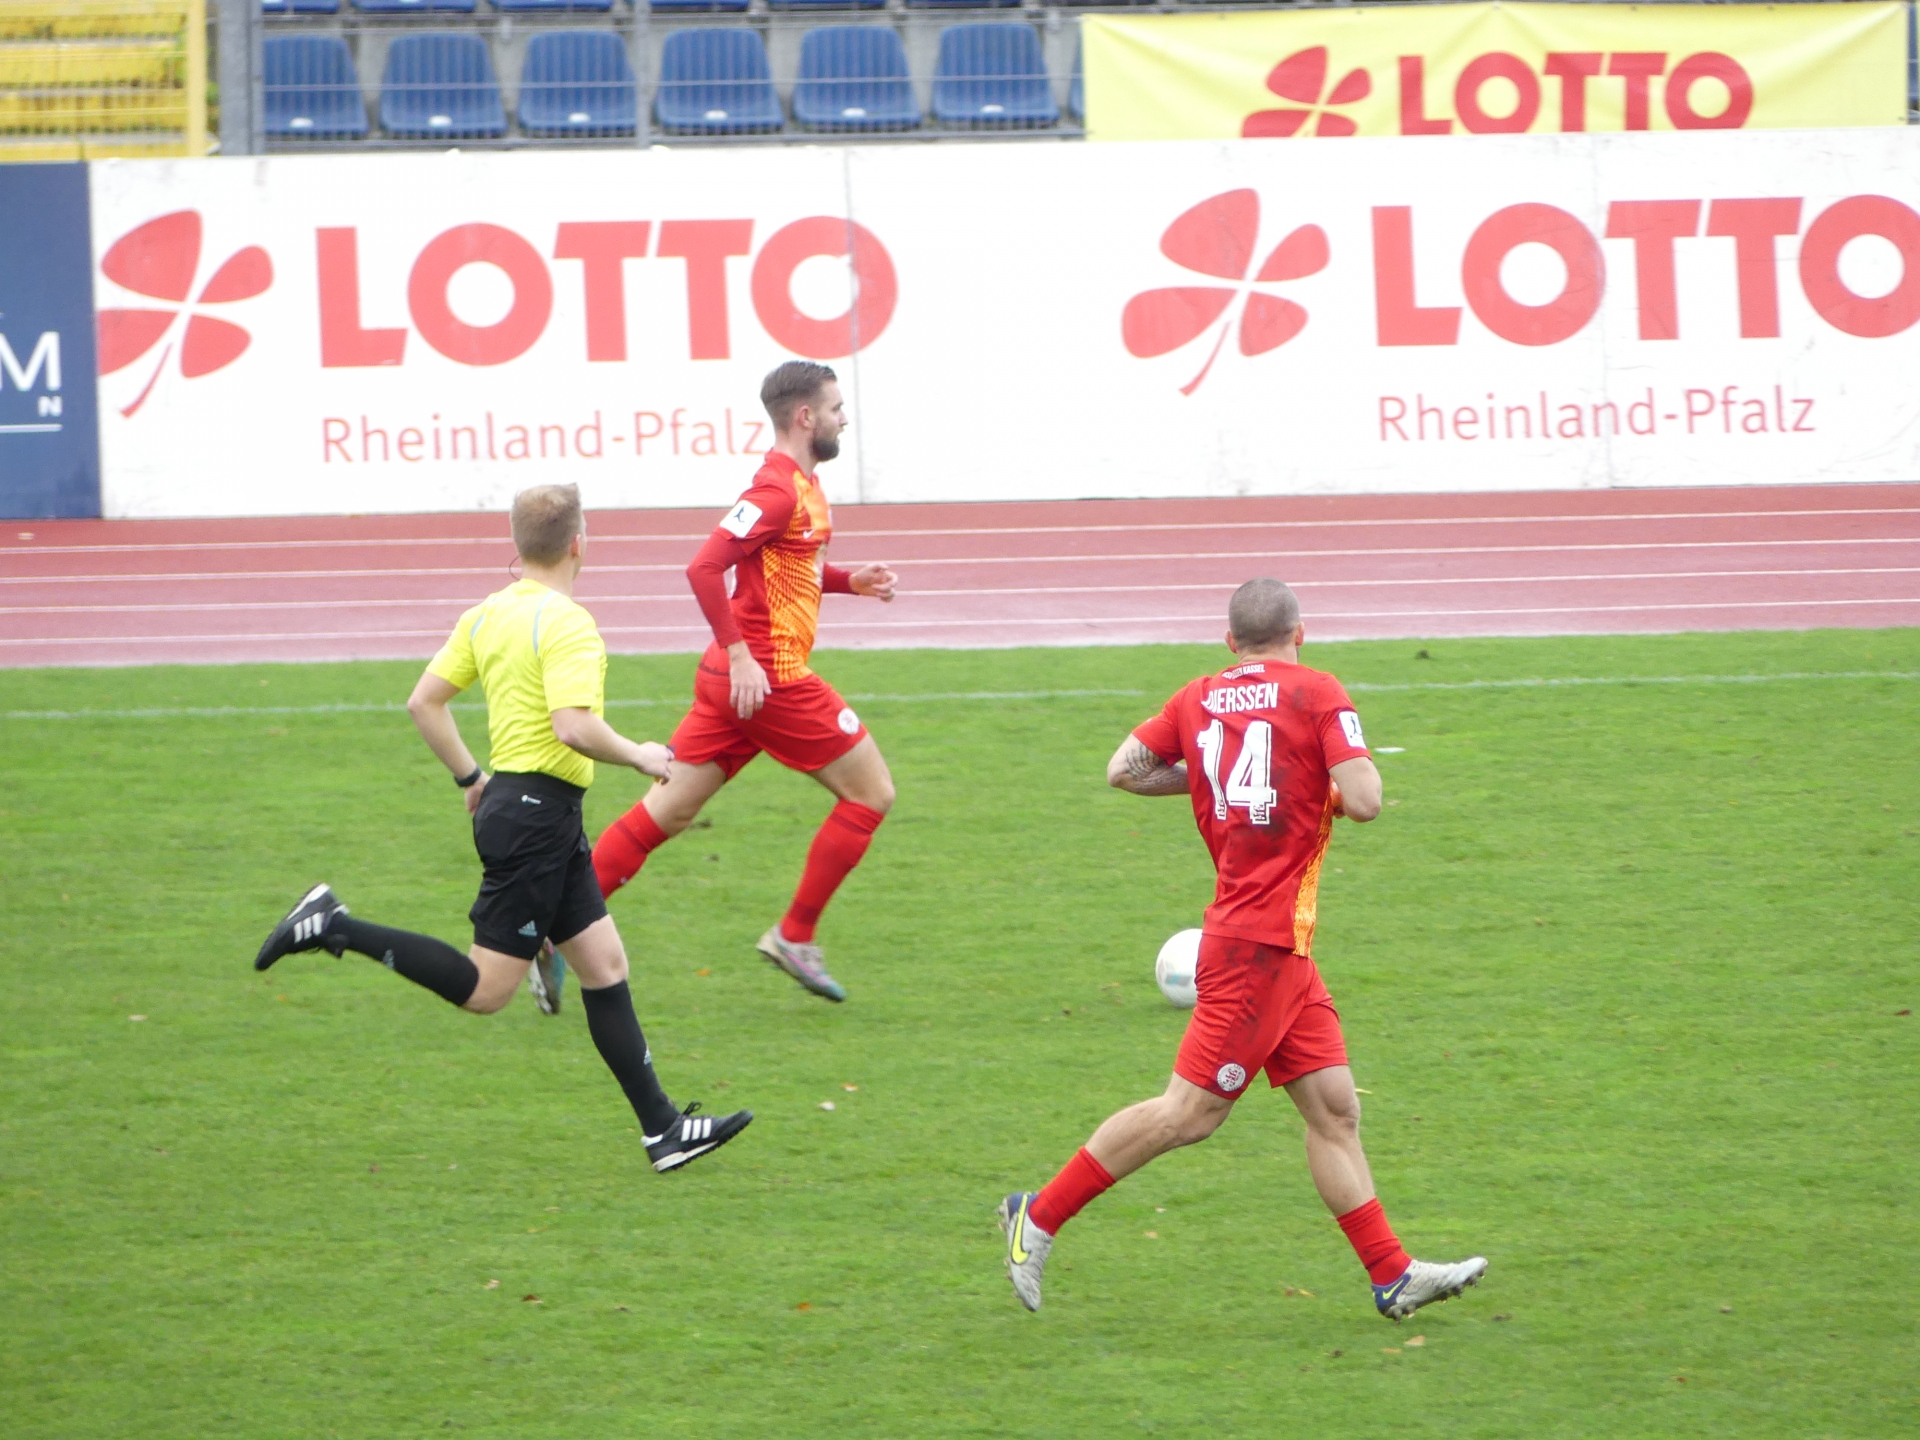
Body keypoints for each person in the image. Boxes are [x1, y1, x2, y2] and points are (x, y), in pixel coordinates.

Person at [997, 578, 1487, 1318]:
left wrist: (1214, 786)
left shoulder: (1197, 696)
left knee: (1334, 1111)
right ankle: (1036, 1215)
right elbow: (1366, 800)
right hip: (1256, 947)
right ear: (1301, 631)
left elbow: (1122, 770)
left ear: (1231, 643)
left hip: (1277, 945)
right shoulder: (1317, 692)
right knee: (1187, 1115)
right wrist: (1308, 786)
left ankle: (1392, 1274)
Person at [252, 483, 753, 1175]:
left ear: (520, 547)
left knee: (604, 966)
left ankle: (664, 1132)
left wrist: (471, 780)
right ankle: (333, 924)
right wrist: (641, 754)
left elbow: (425, 702)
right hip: (536, 822)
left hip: (529, 812)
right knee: (488, 990)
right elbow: (571, 725)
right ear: (579, 542)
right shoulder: (569, 622)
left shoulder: (488, 614)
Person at [591, 361, 900, 1004]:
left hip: (738, 684)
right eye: (837, 408)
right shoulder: (776, 492)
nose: (846, 417)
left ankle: (550, 923)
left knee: (666, 812)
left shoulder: (801, 487)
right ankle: (795, 935)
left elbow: (787, 570)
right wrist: (741, 655)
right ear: (805, 417)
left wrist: (849, 581)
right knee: (871, 793)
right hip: (770, 679)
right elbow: (704, 567)